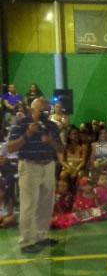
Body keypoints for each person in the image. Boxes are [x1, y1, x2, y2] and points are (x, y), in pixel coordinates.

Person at [8, 97, 62, 253]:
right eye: (41, 110)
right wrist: (27, 134)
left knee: (46, 203)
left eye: (47, 110)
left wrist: (51, 142)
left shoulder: (52, 125)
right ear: (32, 110)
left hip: (48, 166)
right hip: (29, 166)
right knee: (29, 204)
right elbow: (10, 148)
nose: (45, 113)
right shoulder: (21, 123)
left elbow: (61, 149)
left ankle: (41, 236)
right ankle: (27, 241)